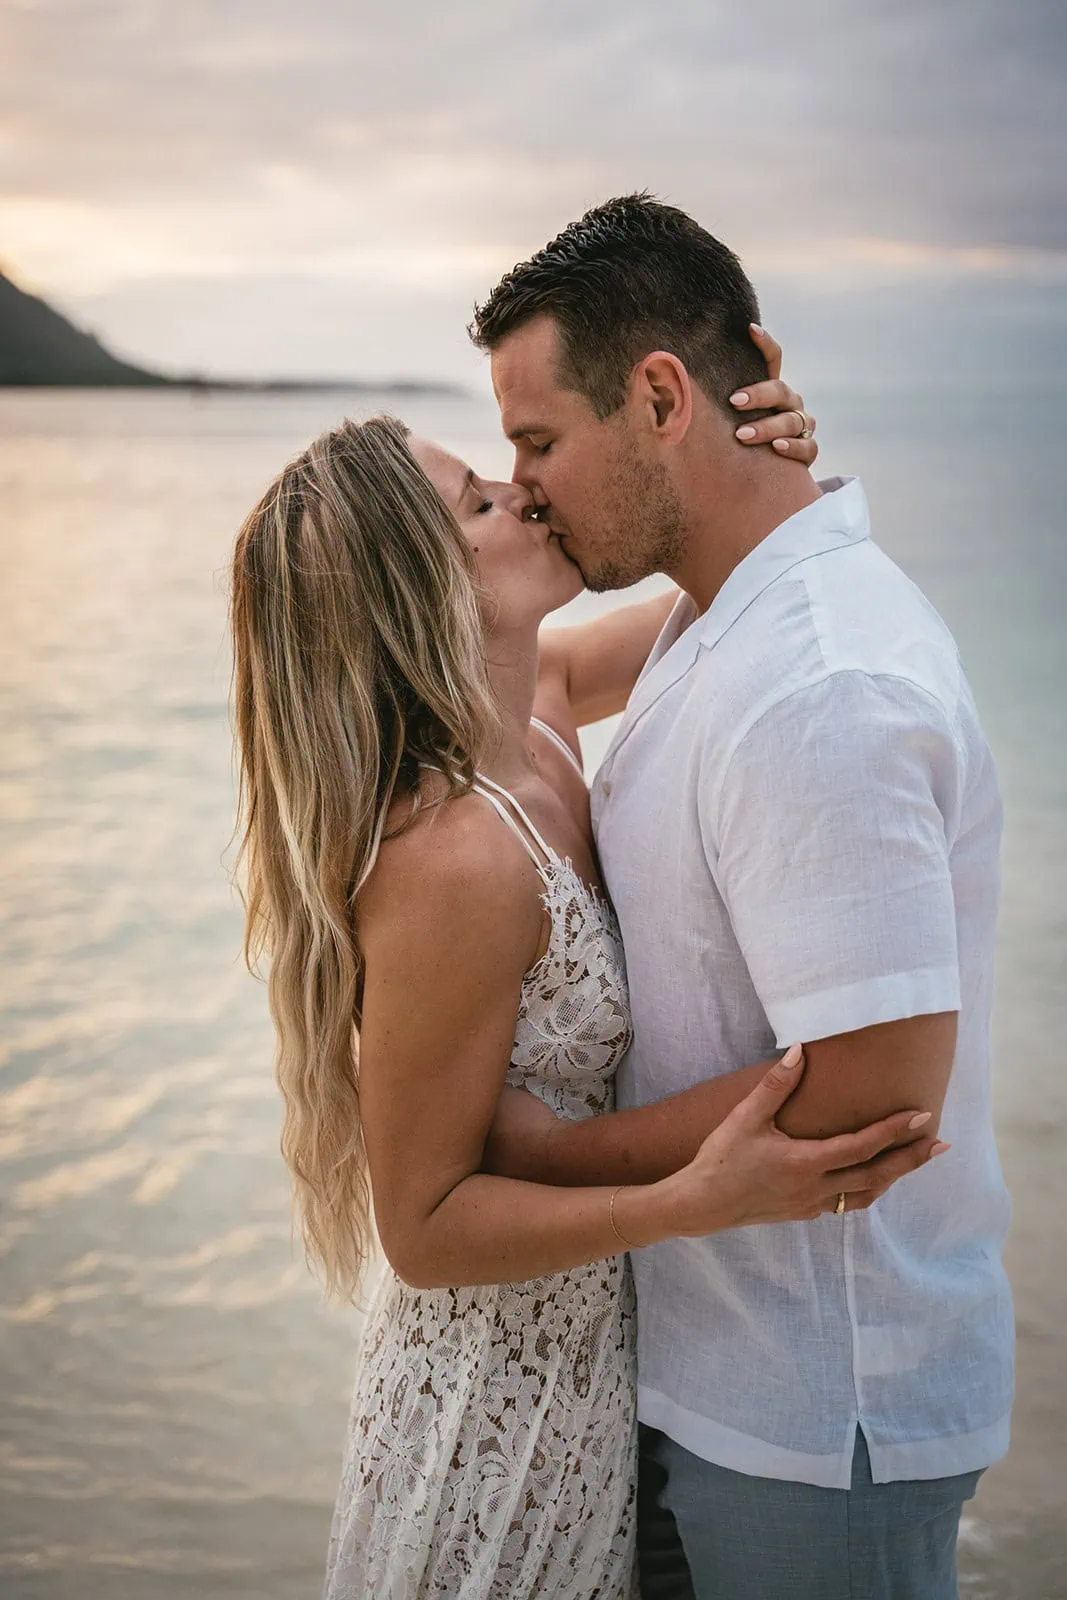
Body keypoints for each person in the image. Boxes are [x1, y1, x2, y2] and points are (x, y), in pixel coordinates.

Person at [229, 358, 944, 1598]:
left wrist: (751, 453)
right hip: (490, 1417)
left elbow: (731, 587)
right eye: (473, 505)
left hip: (601, 1377)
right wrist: (692, 1200)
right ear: (416, 595)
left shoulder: (546, 699)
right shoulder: (452, 856)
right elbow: (424, 1227)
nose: (517, 491)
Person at [474, 193, 1012, 1600]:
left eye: (537, 441)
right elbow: (516, 683)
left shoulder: (816, 682)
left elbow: (863, 1098)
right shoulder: (720, 612)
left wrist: (528, 1154)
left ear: (656, 396)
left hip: (813, 1412)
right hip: (704, 1380)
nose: (521, 484)